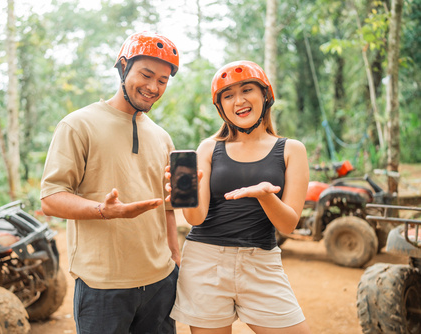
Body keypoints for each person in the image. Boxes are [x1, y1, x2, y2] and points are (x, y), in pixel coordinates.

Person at [40, 31, 181, 334]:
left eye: (163, 80)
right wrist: (102, 210)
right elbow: (51, 198)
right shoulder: (78, 124)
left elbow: (167, 207)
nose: (153, 87)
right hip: (102, 286)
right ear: (122, 66)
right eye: (146, 74)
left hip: (160, 282)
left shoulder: (162, 137)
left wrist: (175, 260)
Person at [167, 60, 312, 334]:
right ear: (221, 107)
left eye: (247, 90)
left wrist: (264, 197)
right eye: (228, 95)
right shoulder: (208, 148)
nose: (239, 101)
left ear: (265, 96)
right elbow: (196, 218)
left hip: (261, 263)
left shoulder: (292, 150)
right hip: (205, 262)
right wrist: (185, 193)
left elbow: (288, 225)